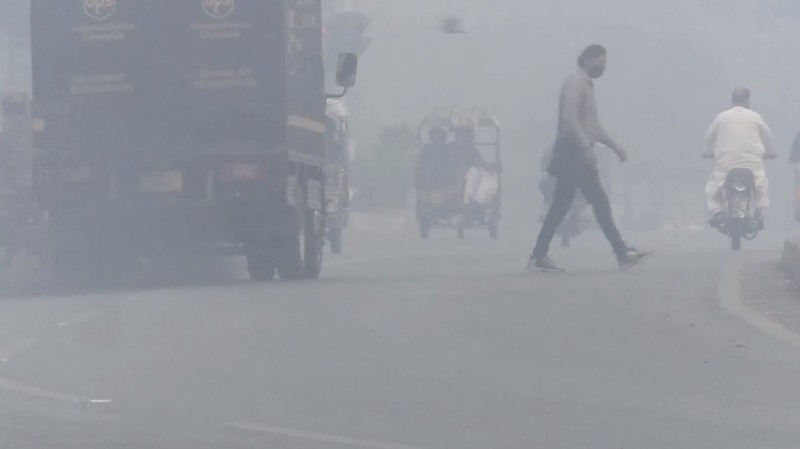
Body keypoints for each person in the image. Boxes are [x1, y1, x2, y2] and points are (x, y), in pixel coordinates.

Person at [528, 44, 652, 272]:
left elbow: (593, 126)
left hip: (577, 152)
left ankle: (538, 256)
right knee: (599, 203)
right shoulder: (574, 83)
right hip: (572, 152)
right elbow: (569, 119)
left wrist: (615, 147)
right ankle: (622, 252)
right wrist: (585, 146)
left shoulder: (586, 86)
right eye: (599, 62)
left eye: (604, 63)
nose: (602, 66)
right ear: (585, 60)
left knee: (561, 206)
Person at [703, 87, 776, 230]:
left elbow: (708, 137)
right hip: (752, 164)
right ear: (747, 100)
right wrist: (771, 153)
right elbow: (768, 137)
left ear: (732, 100)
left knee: (714, 186)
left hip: (725, 164)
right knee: (761, 184)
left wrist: (707, 152)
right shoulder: (755, 117)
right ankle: (759, 212)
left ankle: (716, 212)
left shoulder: (721, 117)